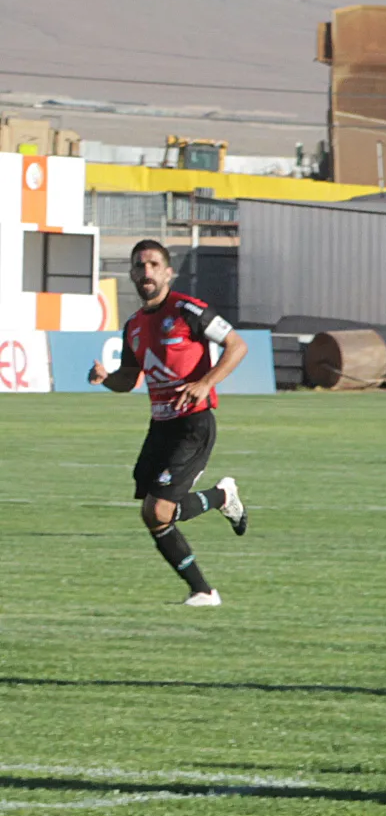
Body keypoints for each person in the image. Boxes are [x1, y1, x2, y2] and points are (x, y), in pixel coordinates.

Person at [89, 239, 250, 605]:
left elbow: (237, 345)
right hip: (160, 428)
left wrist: (205, 383)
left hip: (193, 424)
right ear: (132, 274)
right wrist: (105, 378)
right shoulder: (133, 326)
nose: (146, 271)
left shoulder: (188, 310)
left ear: (168, 272)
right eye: (139, 265)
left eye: (153, 265)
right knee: (154, 514)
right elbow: (128, 379)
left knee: (158, 510)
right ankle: (222, 498)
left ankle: (204, 591)